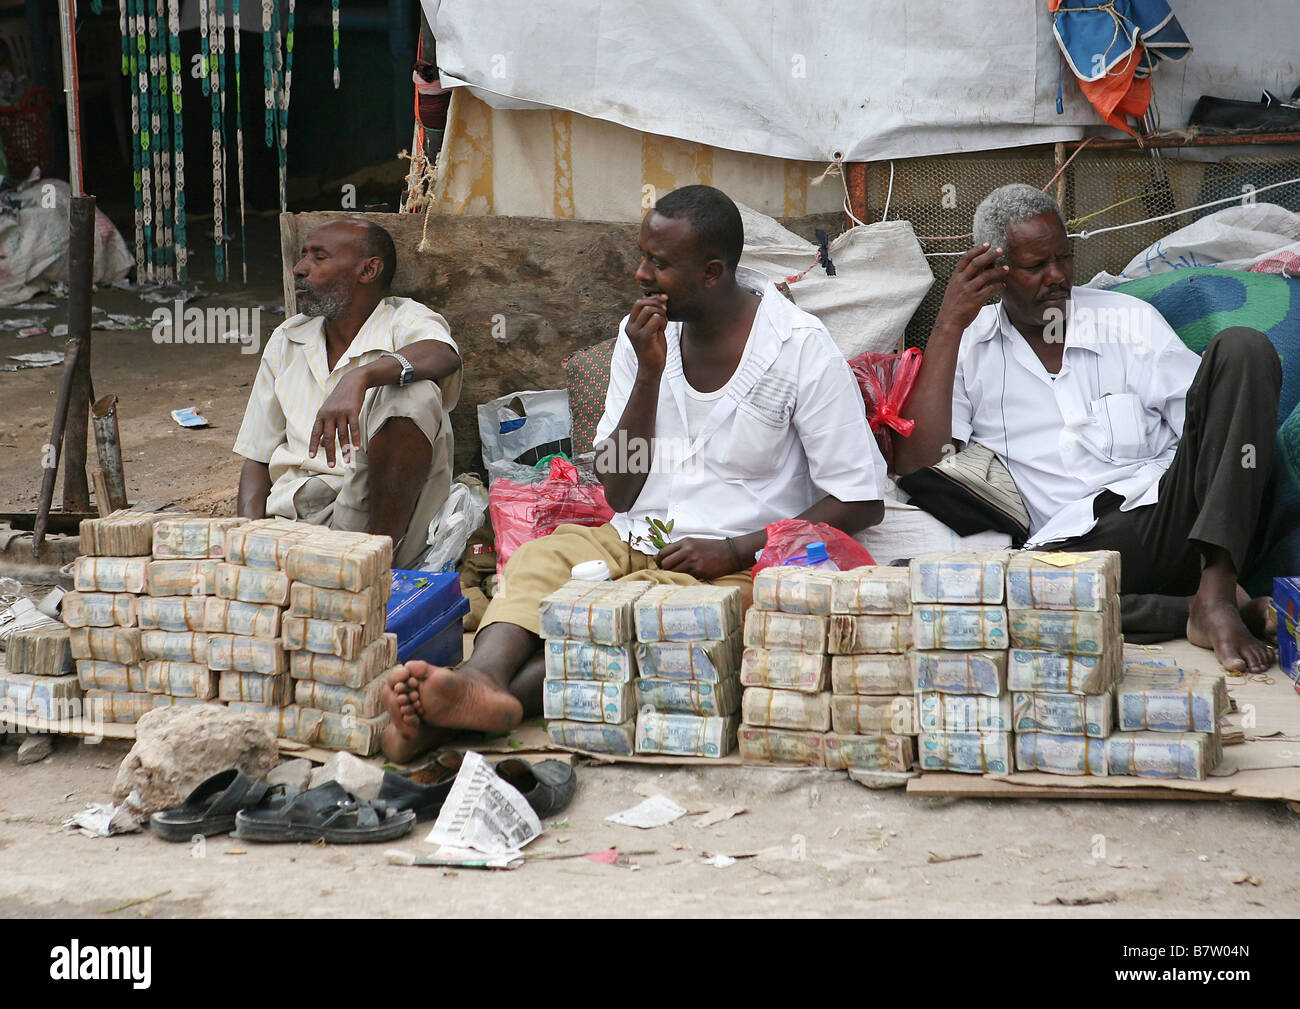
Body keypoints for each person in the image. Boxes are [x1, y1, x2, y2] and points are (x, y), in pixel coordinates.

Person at [381, 184, 888, 762]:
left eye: (660, 263)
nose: (642, 274)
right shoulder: (643, 339)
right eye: (642, 255)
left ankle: (465, 714)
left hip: (743, 566)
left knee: (642, 612)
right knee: (540, 560)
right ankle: (478, 681)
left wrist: (735, 548)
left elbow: (859, 500)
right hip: (639, 535)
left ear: (713, 272)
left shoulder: (799, 349)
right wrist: (649, 377)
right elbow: (620, 490)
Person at [894, 183, 1281, 673]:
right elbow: (917, 463)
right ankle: (1203, 609)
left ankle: (1218, 590)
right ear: (994, 273)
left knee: (1243, 348)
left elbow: (1213, 442)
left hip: (1175, 524)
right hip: (1074, 557)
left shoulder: (1128, 323)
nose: (1056, 276)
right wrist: (948, 324)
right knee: (996, 603)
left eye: (1064, 258)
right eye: (1036, 266)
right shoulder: (969, 351)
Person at [233, 217, 462, 570]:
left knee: (414, 394)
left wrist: (359, 377)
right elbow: (257, 457)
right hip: (293, 520)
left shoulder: (404, 319)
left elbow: (443, 354)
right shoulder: (288, 338)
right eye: (303, 256)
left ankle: (375, 566)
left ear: (368, 270)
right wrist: (244, 542)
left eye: (318, 257)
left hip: (373, 523)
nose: (299, 269)